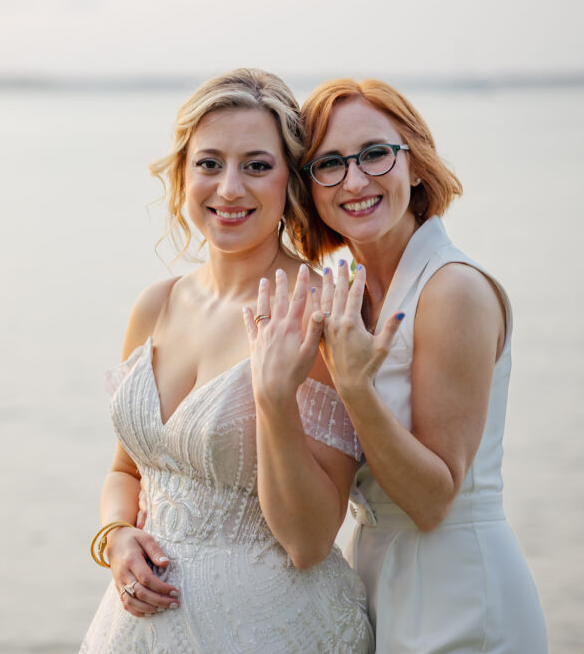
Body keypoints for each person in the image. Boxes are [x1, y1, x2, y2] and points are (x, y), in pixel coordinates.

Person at [80, 69, 373, 653]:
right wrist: (116, 536)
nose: (230, 188)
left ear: (290, 181)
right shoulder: (157, 305)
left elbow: (311, 540)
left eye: (257, 165)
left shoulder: (317, 311)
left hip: (273, 631)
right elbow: (128, 470)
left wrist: (272, 398)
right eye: (209, 163)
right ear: (182, 175)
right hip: (136, 633)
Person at [275, 78, 548, 652]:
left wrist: (353, 384)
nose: (355, 180)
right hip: (374, 572)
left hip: (459, 588)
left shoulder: (453, 290)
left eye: (375, 153)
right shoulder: (345, 292)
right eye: (328, 163)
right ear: (311, 188)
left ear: (415, 164)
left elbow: (432, 501)